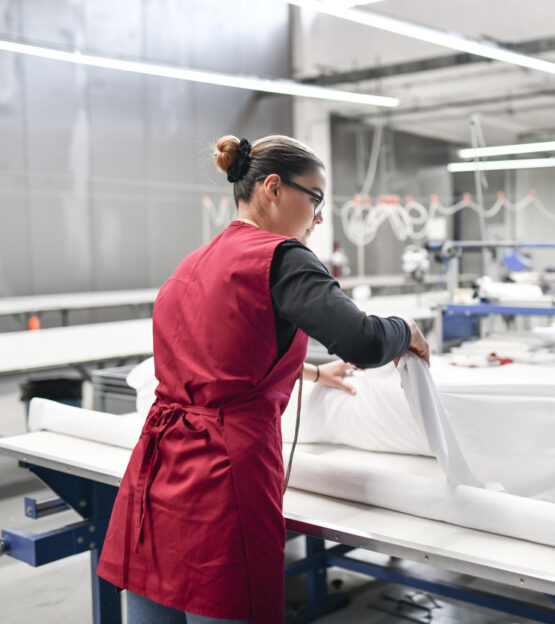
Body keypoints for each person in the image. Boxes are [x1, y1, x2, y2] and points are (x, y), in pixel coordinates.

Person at [97, 134, 430, 623]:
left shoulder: (192, 264)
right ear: (273, 188)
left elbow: (222, 357)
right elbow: (364, 341)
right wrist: (407, 330)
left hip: (157, 473)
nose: (319, 218)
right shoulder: (281, 258)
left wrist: (311, 371)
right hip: (223, 479)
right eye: (315, 199)